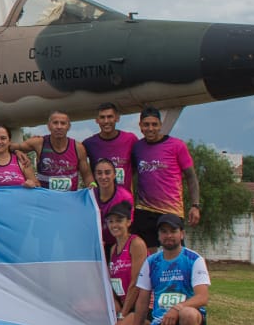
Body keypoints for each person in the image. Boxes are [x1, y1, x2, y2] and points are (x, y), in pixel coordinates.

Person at [129, 214, 210, 325]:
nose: (168, 236)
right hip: (161, 323)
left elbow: (202, 297)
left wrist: (177, 308)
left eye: (173, 231)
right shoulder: (151, 262)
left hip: (188, 319)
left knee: (188, 314)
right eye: (163, 232)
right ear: (158, 236)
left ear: (181, 234)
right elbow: (142, 301)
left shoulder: (193, 259)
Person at [130, 106, 200, 249]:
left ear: (160, 125)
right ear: (140, 126)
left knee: (174, 254)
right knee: (146, 256)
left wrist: (195, 206)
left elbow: (191, 177)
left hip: (171, 211)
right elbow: (130, 176)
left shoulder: (176, 146)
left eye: (154, 124)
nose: (150, 128)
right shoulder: (137, 148)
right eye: (146, 124)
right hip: (144, 210)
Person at [101, 206, 149, 325]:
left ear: (128, 222)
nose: (114, 225)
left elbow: (136, 283)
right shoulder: (113, 248)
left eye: (119, 221)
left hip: (140, 308)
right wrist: (115, 306)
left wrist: (123, 314)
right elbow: (112, 282)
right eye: (111, 221)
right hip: (124, 306)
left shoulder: (136, 244)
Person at [19, 110, 93, 193]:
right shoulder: (39, 143)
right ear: (49, 126)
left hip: (70, 200)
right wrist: (18, 152)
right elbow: (8, 147)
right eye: (55, 123)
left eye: (63, 123)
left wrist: (94, 188)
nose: (59, 127)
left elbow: (87, 176)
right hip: (45, 199)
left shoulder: (78, 148)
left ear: (68, 126)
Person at [82, 102, 139, 189]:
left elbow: (136, 166)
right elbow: (80, 167)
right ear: (97, 120)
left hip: (124, 199)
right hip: (100, 199)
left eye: (110, 117)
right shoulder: (88, 144)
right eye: (102, 117)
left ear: (117, 118)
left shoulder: (130, 139)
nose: (106, 121)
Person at [92, 158, 134, 251]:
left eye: (107, 173)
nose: (103, 177)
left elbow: (127, 225)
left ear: (115, 175)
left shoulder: (125, 197)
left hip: (117, 243)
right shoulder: (89, 196)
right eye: (99, 173)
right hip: (96, 244)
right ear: (94, 175)